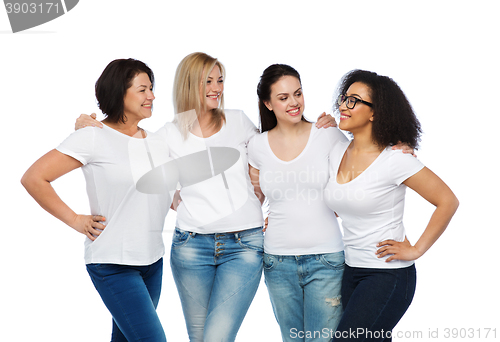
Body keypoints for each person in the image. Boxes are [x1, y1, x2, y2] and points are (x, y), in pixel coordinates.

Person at [75, 52, 337, 342]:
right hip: (190, 248)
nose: (217, 88)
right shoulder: (167, 135)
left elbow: (271, 162)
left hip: (244, 246)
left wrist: (270, 208)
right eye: (208, 81)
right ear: (189, 85)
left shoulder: (240, 122)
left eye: (220, 80)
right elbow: (143, 170)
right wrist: (86, 125)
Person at [21, 59, 171, 342]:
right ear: (119, 93)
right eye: (143, 90)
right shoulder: (92, 137)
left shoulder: (157, 142)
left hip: (152, 261)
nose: (151, 96)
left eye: (151, 89)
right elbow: (34, 177)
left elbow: (169, 194)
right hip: (112, 263)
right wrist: (75, 220)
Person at [323, 69, 459, 341]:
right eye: (343, 98)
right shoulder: (337, 150)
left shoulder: (396, 159)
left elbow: (447, 201)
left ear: (374, 112)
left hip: (388, 275)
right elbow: (341, 205)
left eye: (353, 100)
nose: (342, 106)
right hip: (350, 270)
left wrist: (417, 249)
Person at [247, 64, 347, 342]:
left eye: (298, 93)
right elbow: (253, 198)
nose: (294, 103)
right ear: (267, 103)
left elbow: (360, 176)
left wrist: (402, 145)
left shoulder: (327, 134)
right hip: (278, 261)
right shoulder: (257, 145)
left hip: (326, 259)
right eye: (283, 98)